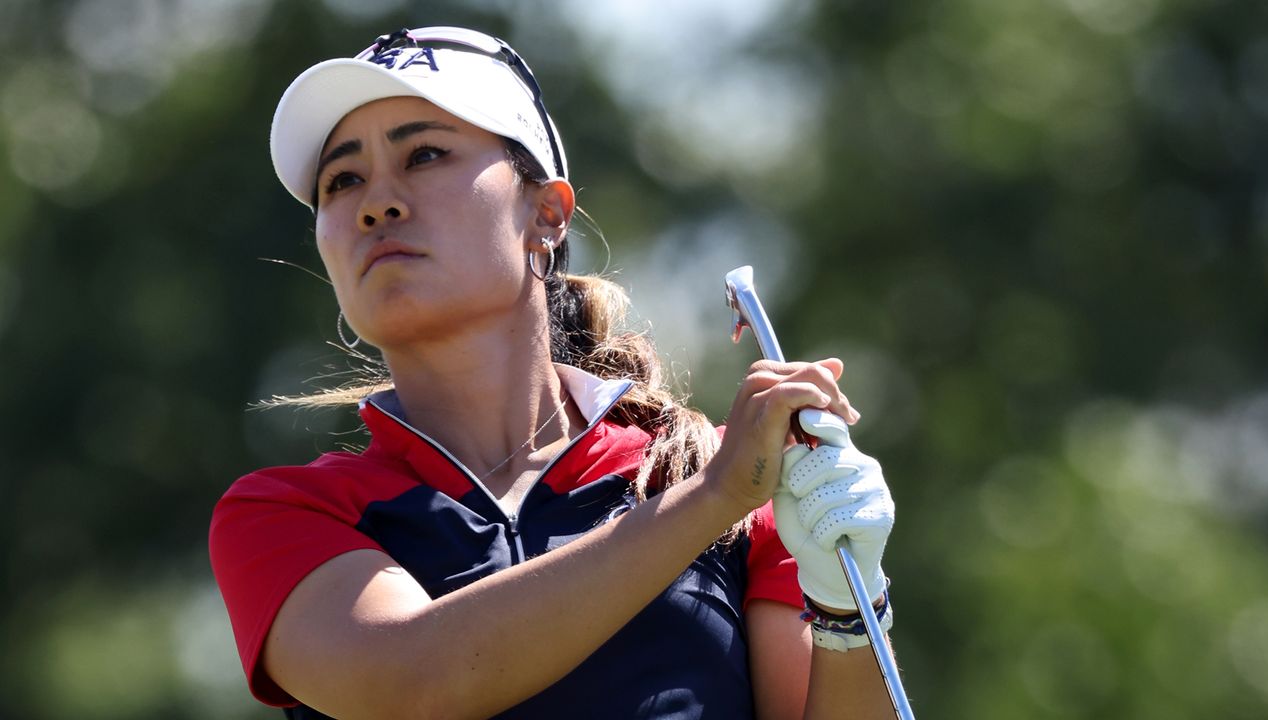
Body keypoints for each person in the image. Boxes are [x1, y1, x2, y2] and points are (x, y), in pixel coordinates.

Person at [210, 25, 901, 720]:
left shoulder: (714, 480)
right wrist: (714, 498)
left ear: (546, 214)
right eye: (343, 179)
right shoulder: (283, 513)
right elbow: (411, 681)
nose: (375, 202)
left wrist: (850, 607)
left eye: (424, 154)